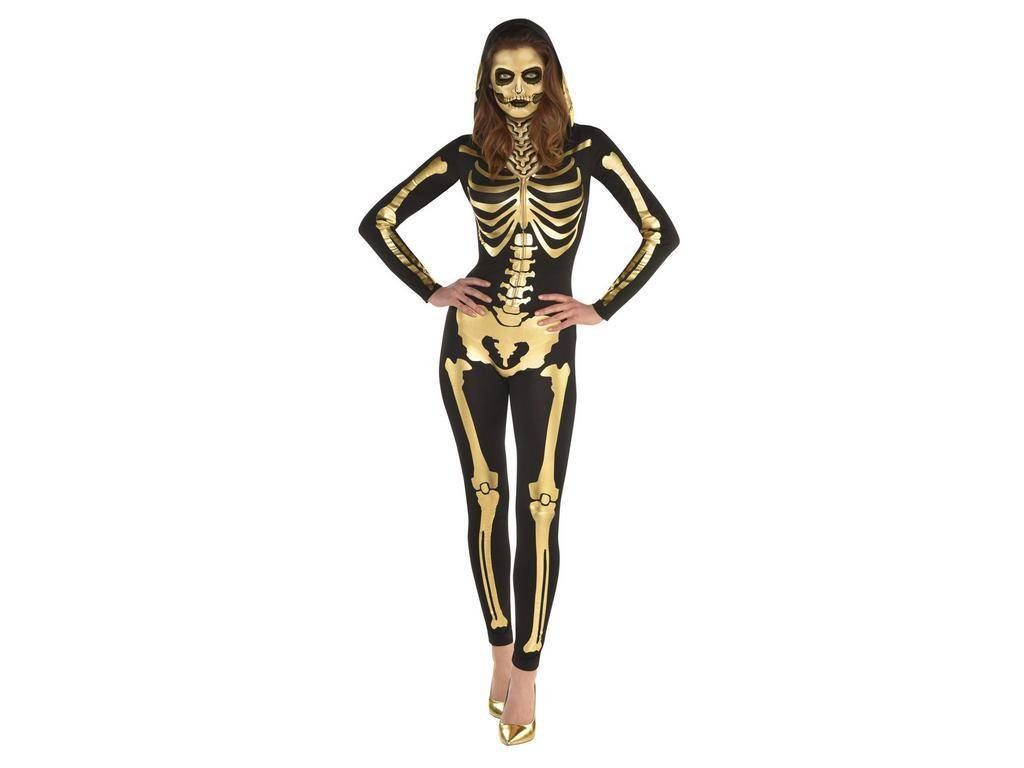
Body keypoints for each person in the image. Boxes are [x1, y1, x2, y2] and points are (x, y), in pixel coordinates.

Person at [358, 17, 679, 745]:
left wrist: (601, 306)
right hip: (468, 346)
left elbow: (659, 230)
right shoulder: (471, 152)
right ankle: (499, 651)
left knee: (541, 506)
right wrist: (432, 289)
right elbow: (381, 221)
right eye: (503, 76)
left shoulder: (587, 147)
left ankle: (529, 671)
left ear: (552, 78)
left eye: (531, 75)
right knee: (484, 500)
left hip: (547, 350)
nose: (517, 89)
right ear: (486, 82)